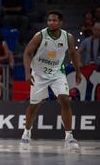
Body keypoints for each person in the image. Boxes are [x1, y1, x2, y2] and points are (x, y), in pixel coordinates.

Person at [20, 10, 81, 151]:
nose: (51, 23)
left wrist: (78, 71)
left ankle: (69, 136)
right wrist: (27, 73)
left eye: (54, 20)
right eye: (49, 20)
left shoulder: (68, 37)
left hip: (57, 73)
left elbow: (73, 54)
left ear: (61, 22)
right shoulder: (39, 36)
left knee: (65, 99)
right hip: (39, 74)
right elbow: (27, 53)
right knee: (34, 105)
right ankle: (27, 132)